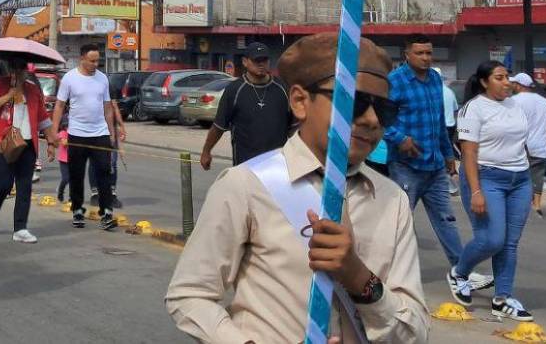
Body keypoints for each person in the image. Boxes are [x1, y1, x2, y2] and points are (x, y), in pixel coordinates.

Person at [165, 33, 428, 343]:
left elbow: (415, 333)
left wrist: (359, 278)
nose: (371, 120)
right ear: (301, 102)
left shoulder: (391, 199)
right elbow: (190, 294)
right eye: (355, 103)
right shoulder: (247, 185)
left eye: (384, 111)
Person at [448, 61, 535, 322]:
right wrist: (476, 191)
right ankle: (459, 272)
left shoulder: (515, 106)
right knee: (492, 239)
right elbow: (469, 152)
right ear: (485, 81)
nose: (506, 81)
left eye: (507, 76)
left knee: (509, 243)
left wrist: (528, 177)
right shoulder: (472, 109)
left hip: (519, 179)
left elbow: (521, 143)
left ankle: (503, 298)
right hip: (486, 178)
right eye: (499, 77)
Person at [381, 38, 462, 282]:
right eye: (420, 53)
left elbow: (438, 122)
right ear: (407, 54)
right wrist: (399, 138)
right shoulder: (394, 82)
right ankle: (392, 273)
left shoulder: (436, 80)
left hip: (435, 165)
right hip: (406, 166)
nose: (426, 57)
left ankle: (461, 271)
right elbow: (378, 117)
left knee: (446, 219)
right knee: (401, 222)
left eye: (429, 52)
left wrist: (448, 154)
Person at [0, 59, 55, 244]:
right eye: (16, 67)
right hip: (3, 143)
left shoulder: (33, 89)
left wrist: (52, 143)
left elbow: (43, 119)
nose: (19, 72)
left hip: (27, 145)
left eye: (22, 68)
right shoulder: (1, 83)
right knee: (4, 184)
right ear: (11, 69)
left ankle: (20, 228)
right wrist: (9, 95)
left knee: (25, 186)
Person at [51, 43, 120, 231]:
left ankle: (106, 212)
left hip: (100, 134)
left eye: (98, 60)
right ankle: (78, 210)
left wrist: (112, 132)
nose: (96, 64)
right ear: (82, 58)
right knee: (76, 175)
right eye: (92, 60)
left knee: (105, 173)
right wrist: (54, 133)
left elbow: (107, 107)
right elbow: (59, 106)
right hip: (77, 134)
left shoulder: (103, 79)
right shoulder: (69, 79)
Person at [200, 42, 290, 170]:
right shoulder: (234, 90)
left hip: (278, 166)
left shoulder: (282, 88)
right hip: (245, 166)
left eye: (264, 60)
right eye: (256, 60)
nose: (261, 64)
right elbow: (218, 126)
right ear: (245, 62)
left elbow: (294, 129)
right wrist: (206, 151)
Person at [509, 73, 546, 215]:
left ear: (518, 85)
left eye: (513, 83)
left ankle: (521, 205)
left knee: (519, 176)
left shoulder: (513, 101)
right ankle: (536, 205)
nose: (511, 86)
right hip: (539, 146)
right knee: (537, 176)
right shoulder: (544, 101)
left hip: (519, 147)